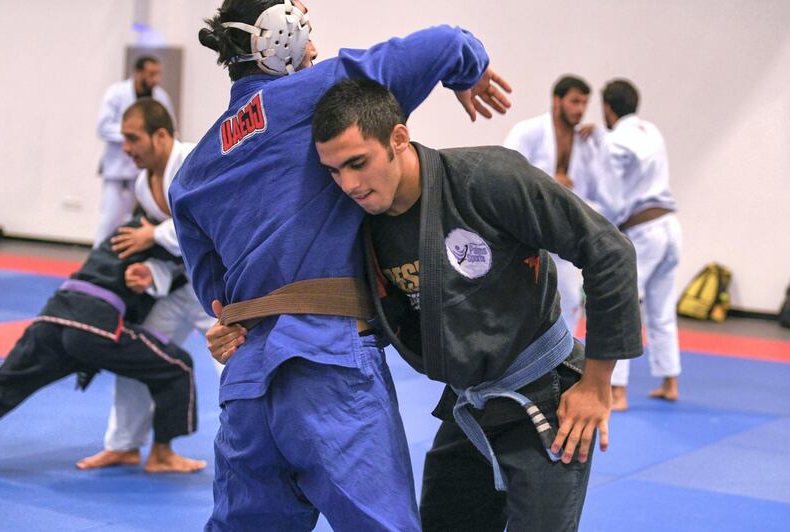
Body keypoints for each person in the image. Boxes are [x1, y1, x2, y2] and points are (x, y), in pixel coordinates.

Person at [170, 0, 511, 529]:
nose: (312, 41)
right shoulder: (318, 94)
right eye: (301, 27)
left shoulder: (193, 171)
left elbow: (214, 297)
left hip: (245, 387)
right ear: (277, 37)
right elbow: (448, 41)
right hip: (326, 364)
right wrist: (469, 72)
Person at [308, 78, 642, 530]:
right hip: (471, 409)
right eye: (333, 171)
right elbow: (340, 303)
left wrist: (598, 384)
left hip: (545, 401)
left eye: (357, 163)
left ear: (398, 139)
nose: (347, 184)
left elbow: (609, 251)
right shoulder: (362, 225)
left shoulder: (487, 179)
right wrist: (244, 326)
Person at [0, 221, 206, 474]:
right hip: (95, 324)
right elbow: (188, 252)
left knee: (6, 384)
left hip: (53, 316)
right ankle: (162, 455)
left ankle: (128, 449)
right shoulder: (152, 234)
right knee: (177, 365)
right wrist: (154, 238)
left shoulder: (127, 232)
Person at [77, 99, 221, 470]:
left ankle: (263, 455)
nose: (125, 147)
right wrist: (149, 272)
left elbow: (209, 221)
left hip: (220, 289)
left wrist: (153, 233)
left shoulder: (194, 160)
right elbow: (165, 250)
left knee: (237, 367)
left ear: (160, 135)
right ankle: (125, 445)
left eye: (132, 138)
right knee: (141, 357)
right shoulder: (143, 183)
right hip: (176, 289)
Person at [503, 75, 617, 335]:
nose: (580, 109)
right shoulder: (528, 131)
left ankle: (564, 363)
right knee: (520, 304)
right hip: (525, 233)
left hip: (561, 233)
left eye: (584, 103)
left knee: (572, 302)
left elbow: (600, 194)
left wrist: (601, 142)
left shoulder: (584, 144)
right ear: (557, 101)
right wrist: (550, 182)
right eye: (575, 101)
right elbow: (506, 175)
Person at [598, 79, 682, 411]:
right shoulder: (653, 131)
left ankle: (617, 391)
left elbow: (610, 192)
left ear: (607, 108)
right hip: (671, 226)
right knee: (662, 308)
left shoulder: (615, 140)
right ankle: (670, 381)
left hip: (644, 230)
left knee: (623, 303)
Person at [95, 56, 175, 247]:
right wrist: (134, 136)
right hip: (117, 169)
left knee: (136, 220)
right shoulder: (116, 93)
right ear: (138, 73)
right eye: (151, 74)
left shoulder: (161, 98)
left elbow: (170, 129)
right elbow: (102, 127)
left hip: (144, 171)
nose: (156, 79)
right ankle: (98, 262)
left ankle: (126, 264)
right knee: (109, 219)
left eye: (158, 74)